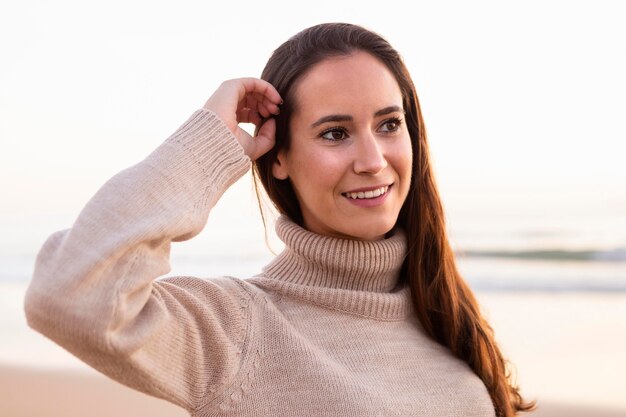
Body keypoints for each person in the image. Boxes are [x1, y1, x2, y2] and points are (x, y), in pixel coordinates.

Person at [24, 23, 534, 416]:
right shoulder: (239, 329)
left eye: (389, 124)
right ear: (279, 159)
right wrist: (208, 145)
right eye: (335, 133)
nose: (373, 159)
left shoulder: (447, 318)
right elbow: (68, 295)